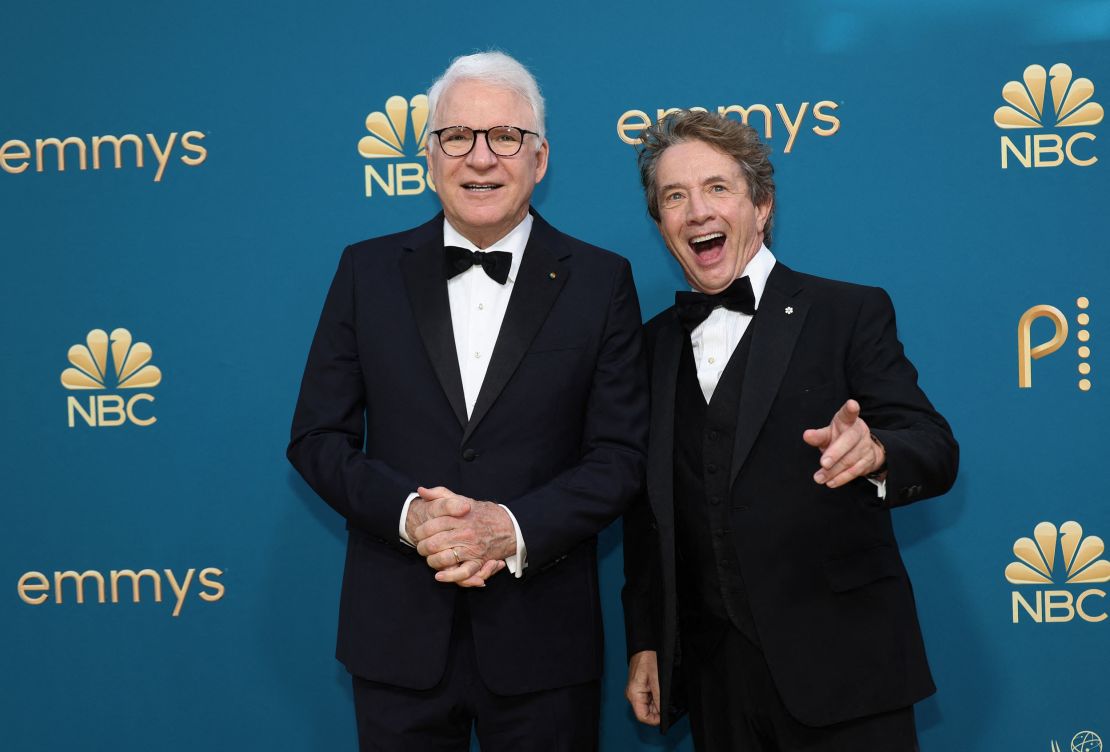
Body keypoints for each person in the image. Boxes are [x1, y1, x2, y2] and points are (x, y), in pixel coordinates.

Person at [288, 51, 647, 751]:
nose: (480, 158)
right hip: (396, 638)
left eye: (504, 137)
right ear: (429, 156)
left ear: (539, 158)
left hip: (544, 642)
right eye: (458, 137)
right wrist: (411, 515)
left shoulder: (602, 282)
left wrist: (508, 527)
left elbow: (621, 458)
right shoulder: (365, 272)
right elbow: (316, 439)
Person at [621, 110, 958, 751]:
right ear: (661, 224)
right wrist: (647, 639)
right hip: (718, 677)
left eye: (717, 188)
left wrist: (879, 452)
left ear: (763, 205)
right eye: (675, 196)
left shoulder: (848, 312)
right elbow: (647, 514)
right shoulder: (649, 346)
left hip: (846, 669)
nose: (697, 212)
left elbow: (934, 444)